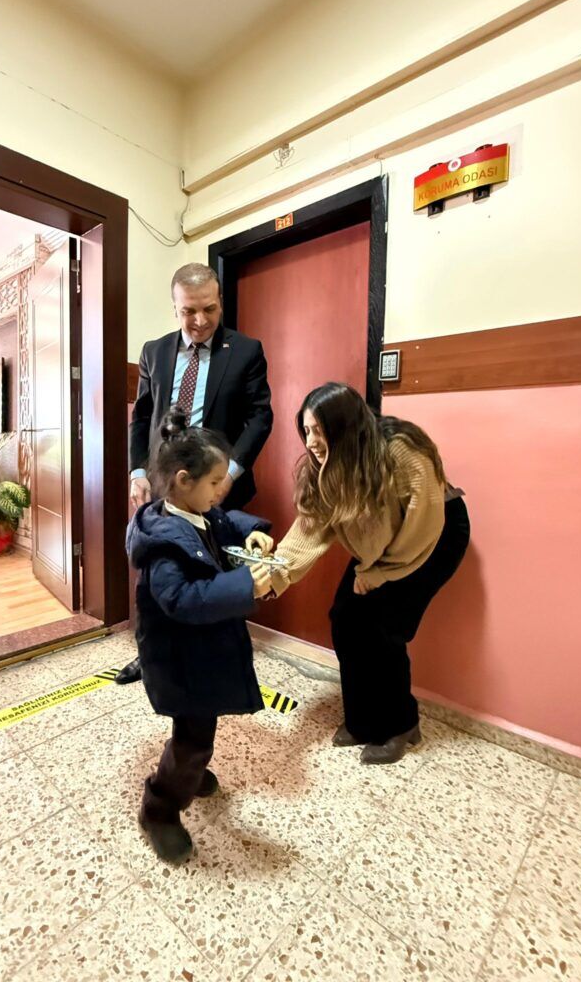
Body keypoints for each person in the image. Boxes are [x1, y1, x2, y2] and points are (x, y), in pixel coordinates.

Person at [266, 382, 470, 765]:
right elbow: (310, 529)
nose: (311, 442)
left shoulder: (401, 451)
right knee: (346, 619)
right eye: (306, 430)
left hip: (432, 536)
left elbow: (422, 525)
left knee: (383, 630)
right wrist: (274, 574)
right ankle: (362, 721)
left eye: (320, 430)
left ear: (345, 427)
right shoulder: (326, 464)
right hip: (381, 536)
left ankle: (401, 725)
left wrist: (380, 573)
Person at [126, 406, 273, 863]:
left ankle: (187, 771)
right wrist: (246, 587)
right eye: (214, 483)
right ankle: (160, 807)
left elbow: (226, 521)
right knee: (194, 738)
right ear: (184, 480)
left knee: (194, 730)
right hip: (180, 660)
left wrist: (252, 532)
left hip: (201, 654)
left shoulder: (198, 511)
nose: (220, 491)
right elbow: (182, 600)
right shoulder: (163, 545)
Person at [118, 261, 273, 685]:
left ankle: (216, 658)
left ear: (220, 301)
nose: (200, 320)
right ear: (175, 308)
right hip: (166, 486)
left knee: (216, 573)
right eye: (189, 311)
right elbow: (142, 417)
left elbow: (261, 417)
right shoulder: (154, 351)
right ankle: (150, 654)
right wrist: (137, 471)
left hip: (218, 485)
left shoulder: (246, 351)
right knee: (158, 576)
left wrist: (230, 474)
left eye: (209, 309)